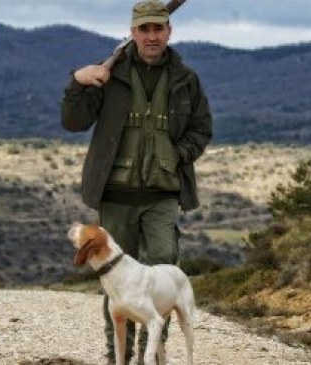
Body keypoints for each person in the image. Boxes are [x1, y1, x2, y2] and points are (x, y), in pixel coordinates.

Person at [61, 0, 212, 363]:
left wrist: (177, 155)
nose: (151, 36)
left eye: (158, 29)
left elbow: (202, 128)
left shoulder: (185, 78)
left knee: (163, 270)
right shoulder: (108, 73)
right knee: (116, 284)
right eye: (144, 30)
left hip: (162, 193)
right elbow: (74, 121)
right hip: (115, 194)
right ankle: (119, 358)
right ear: (133, 33)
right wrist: (78, 82)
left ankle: (154, 355)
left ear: (168, 32)